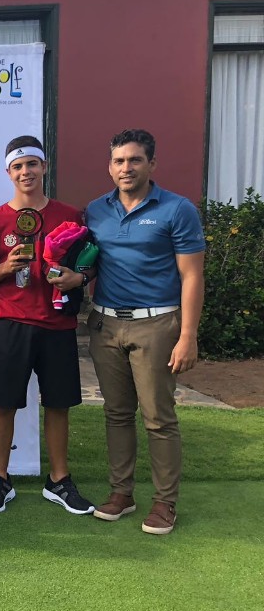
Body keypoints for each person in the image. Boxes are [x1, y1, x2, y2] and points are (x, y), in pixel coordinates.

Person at [86, 129, 205, 535]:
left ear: (152, 164)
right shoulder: (96, 210)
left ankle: (164, 503)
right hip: (104, 323)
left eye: (135, 160)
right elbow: (90, 264)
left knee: (158, 418)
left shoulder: (177, 209)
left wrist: (187, 335)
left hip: (157, 324)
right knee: (117, 414)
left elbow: (192, 277)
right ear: (110, 166)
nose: (126, 168)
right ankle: (122, 493)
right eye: (119, 161)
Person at [0, 136, 95, 515]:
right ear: (8, 172)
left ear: (44, 168)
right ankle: (0, 480)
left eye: (32, 164)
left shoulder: (70, 215)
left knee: (58, 404)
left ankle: (58, 480)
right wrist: (6, 268)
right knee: (3, 403)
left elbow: (87, 261)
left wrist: (77, 278)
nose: (26, 172)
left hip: (57, 322)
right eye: (18, 166)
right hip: (11, 322)